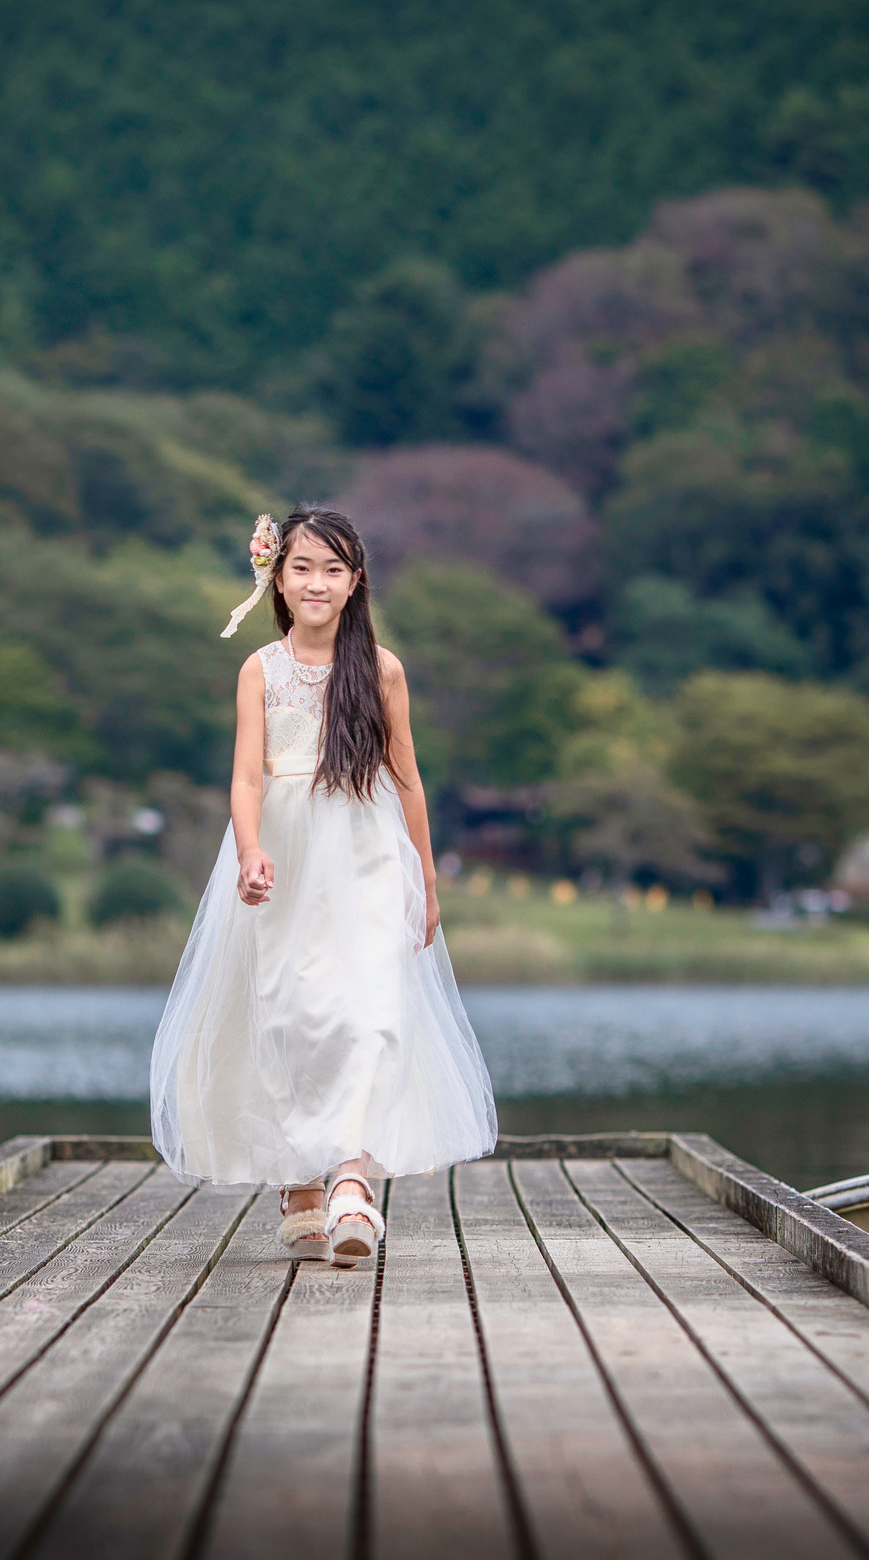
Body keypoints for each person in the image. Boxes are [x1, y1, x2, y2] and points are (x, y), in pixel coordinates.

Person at [149, 506, 497, 1267]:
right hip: (287, 854)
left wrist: (426, 879)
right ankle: (300, 1179)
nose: (316, 582)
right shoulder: (261, 669)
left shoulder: (382, 669)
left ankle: (349, 1176)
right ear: (276, 575)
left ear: (355, 581)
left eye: (333, 569)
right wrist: (249, 850)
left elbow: (407, 779)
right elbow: (246, 776)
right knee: (296, 1011)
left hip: (368, 850)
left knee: (370, 1009)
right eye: (302, 567)